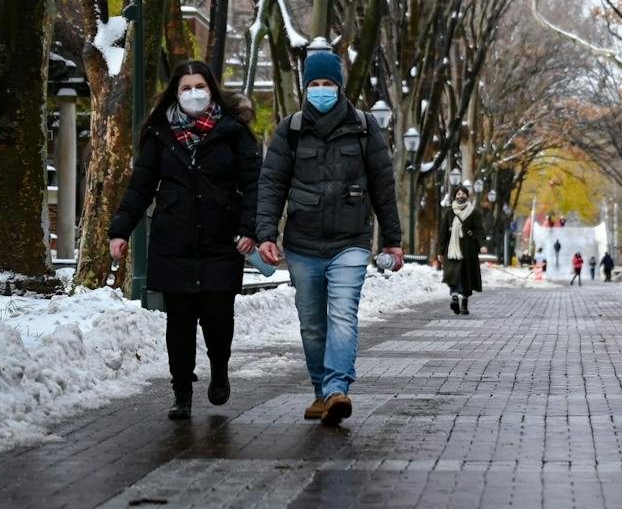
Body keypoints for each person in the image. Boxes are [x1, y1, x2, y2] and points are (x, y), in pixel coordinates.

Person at [255, 48, 403, 427]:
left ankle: (338, 388)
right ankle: (322, 392)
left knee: (342, 314)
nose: (321, 90)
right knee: (311, 323)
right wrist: (266, 233)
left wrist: (392, 239)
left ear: (339, 86)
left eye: (328, 83)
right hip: (302, 244)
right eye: (315, 84)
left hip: (350, 240)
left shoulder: (365, 128)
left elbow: (384, 187)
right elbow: (272, 183)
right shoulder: (290, 129)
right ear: (306, 88)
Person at [109, 60, 261, 421]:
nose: (194, 93)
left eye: (200, 86)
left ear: (211, 88)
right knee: (178, 322)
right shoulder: (161, 133)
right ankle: (181, 392)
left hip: (221, 239)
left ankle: (219, 368)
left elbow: (255, 184)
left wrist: (251, 228)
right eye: (185, 88)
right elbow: (141, 186)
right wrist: (120, 230)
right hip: (173, 240)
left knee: (218, 317)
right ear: (175, 93)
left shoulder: (233, 131)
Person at [434, 184, 483, 315]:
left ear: (467, 196)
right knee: (453, 275)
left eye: (463, 194)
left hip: (468, 251)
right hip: (452, 250)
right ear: (455, 196)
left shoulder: (474, 212)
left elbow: (479, 230)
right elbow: (443, 233)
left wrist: (482, 244)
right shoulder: (449, 213)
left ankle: (464, 303)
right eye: (458, 194)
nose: (460, 196)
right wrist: (440, 251)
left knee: (466, 276)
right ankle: (455, 298)